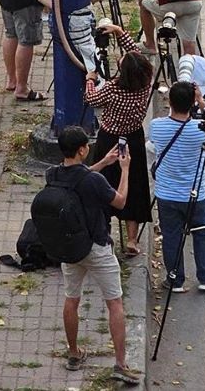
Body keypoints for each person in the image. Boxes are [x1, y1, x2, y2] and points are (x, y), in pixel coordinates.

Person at [46, 125, 139, 384]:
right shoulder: (94, 181)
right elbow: (120, 201)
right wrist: (125, 169)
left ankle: (73, 353)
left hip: (70, 247)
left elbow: (79, 176)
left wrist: (104, 162)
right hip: (97, 246)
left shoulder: (52, 174)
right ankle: (120, 364)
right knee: (114, 303)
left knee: (71, 298)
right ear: (82, 150)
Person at [84, 42, 155, 255]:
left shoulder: (113, 89)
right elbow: (136, 55)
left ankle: (104, 233)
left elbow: (91, 99)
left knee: (104, 183)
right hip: (133, 139)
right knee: (133, 185)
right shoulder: (145, 84)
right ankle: (132, 240)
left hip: (109, 141)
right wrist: (118, 31)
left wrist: (90, 80)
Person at [149, 80, 205, 295]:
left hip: (167, 194)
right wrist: (202, 101)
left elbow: (153, 147)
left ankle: (175, 280)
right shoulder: (201, 129)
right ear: (192, 103)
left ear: (170, 101)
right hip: (196, 194)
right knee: (203, 233)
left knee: (171, 237)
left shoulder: (157, 126)